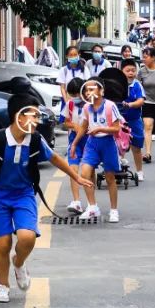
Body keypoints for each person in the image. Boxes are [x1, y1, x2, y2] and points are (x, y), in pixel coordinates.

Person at [0, 93, 92, 303]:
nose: (37, 120)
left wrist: (76, 176)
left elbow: (55, 158)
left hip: (24, 195)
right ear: (18, 117)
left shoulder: (36, 140)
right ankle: (3, 286)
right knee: (2, 243)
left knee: (27, 237)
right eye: (33, 115)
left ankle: (19, 262)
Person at [71, 79, 123, 222]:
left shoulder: (110, 106)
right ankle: (93, 207)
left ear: (101, 91)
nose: (88, 93)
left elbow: (116, 128)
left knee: (110, 178)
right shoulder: (87, 108)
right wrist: (74, 144)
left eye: (92, 89)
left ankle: (114, 210)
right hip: (92, 143)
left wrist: (100, 129)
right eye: (86, 90)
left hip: (107, 143)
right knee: (85, 173)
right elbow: (83, 126)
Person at [61, 77, 88, 214]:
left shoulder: (91, 104)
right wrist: (74, 126)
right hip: (74, 140)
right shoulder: (70, 105)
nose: (76, 97)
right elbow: (65, 122)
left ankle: (91, 203)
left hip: (89, 139)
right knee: (73, 169)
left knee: (88, 171)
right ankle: (76, 201)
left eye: (78, 93)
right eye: (73, 94)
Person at [120, 59, 147, 181]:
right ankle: (118, 168)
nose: (130, 73)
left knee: (136, 147)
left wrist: (130, 105)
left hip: (135, 120)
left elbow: (141, 100)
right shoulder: (118, 84)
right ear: (122, 71)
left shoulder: (137, 85)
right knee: (120, 146)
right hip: (119, 121)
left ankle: (139, 171)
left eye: (133, 70)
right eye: (127, 70)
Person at [57, 46, 90, 112]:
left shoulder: (84, 69)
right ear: (67, 56)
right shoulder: (64, 70)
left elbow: (87, 84)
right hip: (68, 98)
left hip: (81, 100)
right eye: (71, 55)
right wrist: (66, 101)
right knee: (67, 120)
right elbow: (62, 87)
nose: (73, 57)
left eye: (75, 55)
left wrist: (84, 97)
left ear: (79, 55)